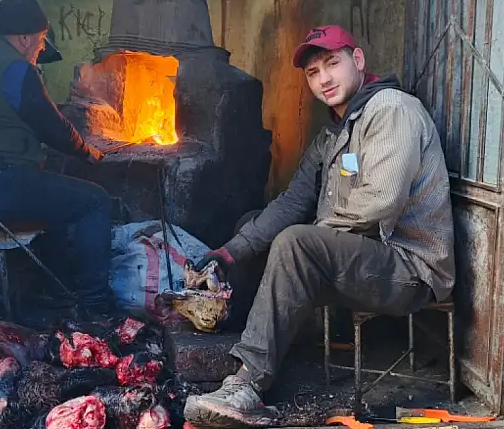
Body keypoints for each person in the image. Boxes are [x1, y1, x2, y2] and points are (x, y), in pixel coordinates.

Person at [183, 25, 456, 427]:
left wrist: (308, 238)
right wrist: (229, 251)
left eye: (333, 64)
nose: (324, 78)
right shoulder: (333, 135)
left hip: (409, 269)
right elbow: (293, 201)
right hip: (362, 257)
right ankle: (245, 350)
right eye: (313, 73)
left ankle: (248, 384)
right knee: (256, 227)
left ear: (357, 61)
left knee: (296, 244)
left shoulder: (391, 110)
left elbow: (380, 202)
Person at [0, 0, 116, 314]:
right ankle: (95, 306)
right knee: (95, 201)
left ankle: (59, 295)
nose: (42, 48)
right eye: (41, 39)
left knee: (56, 199)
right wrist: (85, 151)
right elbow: (51, 124)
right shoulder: (15, 69)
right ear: (23, 38)